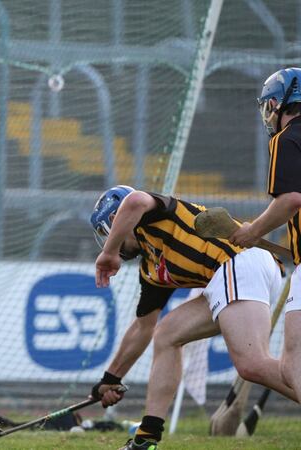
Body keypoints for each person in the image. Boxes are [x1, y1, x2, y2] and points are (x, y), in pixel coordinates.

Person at [89, 185, 295, 450]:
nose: (108, 243)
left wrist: (108, 253)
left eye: (106, 234)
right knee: (167, 334)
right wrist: (110, 380)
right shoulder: (152, 268)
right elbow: (143, 329)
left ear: (117, 222)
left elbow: (136, 199)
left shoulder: (152, 215)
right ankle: (146, 438)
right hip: (232, 275)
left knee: (252, 364)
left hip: (239, 262)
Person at [229, 67, 301, 407]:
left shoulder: (286, 139)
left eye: (269, 105)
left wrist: (251, 231)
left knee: (292, 366)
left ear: (281, 104)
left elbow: (290, 199)